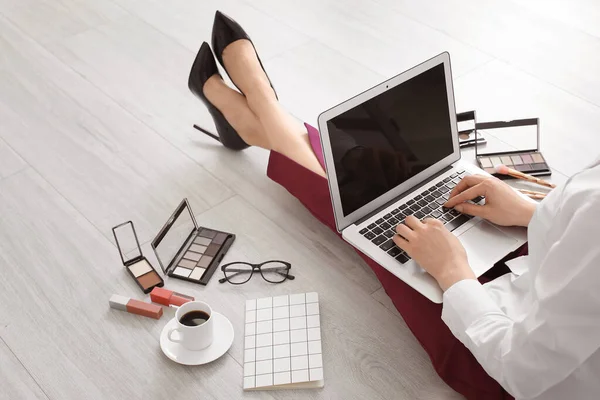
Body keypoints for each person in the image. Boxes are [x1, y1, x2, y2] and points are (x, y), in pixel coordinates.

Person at [191, 11, 600, 400]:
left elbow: (524, 371)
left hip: (505, 365)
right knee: (399, 177)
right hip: (550, 273)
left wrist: (453, 272)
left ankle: (258, 111)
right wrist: (532, 214)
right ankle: (257, 116)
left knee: (365, 211)